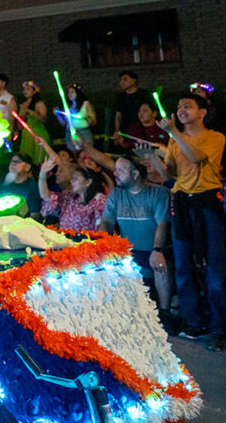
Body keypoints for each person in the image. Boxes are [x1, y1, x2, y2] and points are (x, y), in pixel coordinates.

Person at [158, 93, 226, 350]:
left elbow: (197, 157)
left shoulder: (216, 138)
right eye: (179, 106)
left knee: (215, 272)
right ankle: (193, 322)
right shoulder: (176, 139)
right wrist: (152, 158)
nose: (181, 109)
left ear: (203, 112)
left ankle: (220, 328)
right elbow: (169, 173)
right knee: (183, 267)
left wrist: (174, 132)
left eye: (187, 106)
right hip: (182, 202)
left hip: (207, 202)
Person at [98, 155, 175, 330]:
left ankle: (165, 312)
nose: (115, 173)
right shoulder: (116, 194)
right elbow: (107, 221)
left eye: (121, 170)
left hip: (151, 249)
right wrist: (103, 245)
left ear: (135, 174)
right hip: (128, 250)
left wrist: (157, 249)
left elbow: (163, 223)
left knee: (161, 266)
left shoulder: (158, 193)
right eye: (115, 169)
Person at [39, 159, 107, 232]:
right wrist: (42, 175)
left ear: (88, 182)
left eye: (76, 178)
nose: (72, 181)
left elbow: (102, 229)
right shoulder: (69, 197)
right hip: (64, 241)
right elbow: (45, 196)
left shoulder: (100, 200)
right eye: (72, 178)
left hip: (85, 242)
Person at [0, 153, 42, 220]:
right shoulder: (3, 181)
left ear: (27, 167)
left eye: (17, 162)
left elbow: (34, 215)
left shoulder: (33, 186)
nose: (12, 164)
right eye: (11, 161)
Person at [112, 71, 149, 149]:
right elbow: (118, 115)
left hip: (140, 129)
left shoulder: (142, 94)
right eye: (121, 80)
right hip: (125, 129)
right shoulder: (121, 96)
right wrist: (117, 130)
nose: (122, 82)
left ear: (134, 80)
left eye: (125, 79)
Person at [17, 81, 49, 164]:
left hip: (37, 135)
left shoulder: (39, 103)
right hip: (26, 136)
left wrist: (29, 111)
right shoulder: (24, 104)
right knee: (26, 161)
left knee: (38, 162)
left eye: (28, 89)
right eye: (24, 89)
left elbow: (43, 119)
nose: (25, 91)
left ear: (34, 91)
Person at [58, 83, 97, 149]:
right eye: (68, 92)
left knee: (87, 153)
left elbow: (94, 121)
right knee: (75, 154)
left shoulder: (86, 104)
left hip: (83, 132)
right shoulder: (68, 107)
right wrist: (58, 115)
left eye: (72, 92)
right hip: (70, 133)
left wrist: (88, 119)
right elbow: (65, 124)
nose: (70, 94)